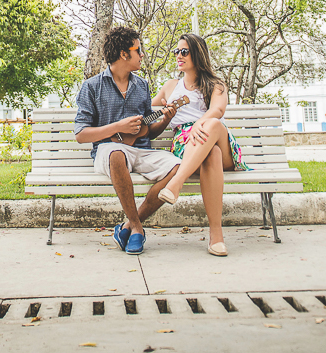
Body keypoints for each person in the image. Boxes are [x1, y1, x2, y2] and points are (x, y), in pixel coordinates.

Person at [74, 26, 181, 255]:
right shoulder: (92, 87)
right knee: (116, 154)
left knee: (177, 168)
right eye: (138, 49)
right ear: (124, 54)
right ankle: (138, 231)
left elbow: (146, 131)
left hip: (140, 151)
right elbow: (81, 134)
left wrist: (164, 119)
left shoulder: (142, 85)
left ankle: (130, 224)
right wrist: (116, 127)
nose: (142, 54)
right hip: (108, 151)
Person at [151, 33, 248, 257]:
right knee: (210, 154)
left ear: (197, 53)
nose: (179, 56)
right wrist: (162, 115)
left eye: (184, 51)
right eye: (176, 51)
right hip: (187, 146)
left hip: (219, 140)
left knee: (212, 125)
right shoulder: (170, 86)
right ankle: (216, 237)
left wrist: (200, 123)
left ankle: (176, 184)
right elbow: (147, 108)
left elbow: (217, 111)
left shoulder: (216, 84)